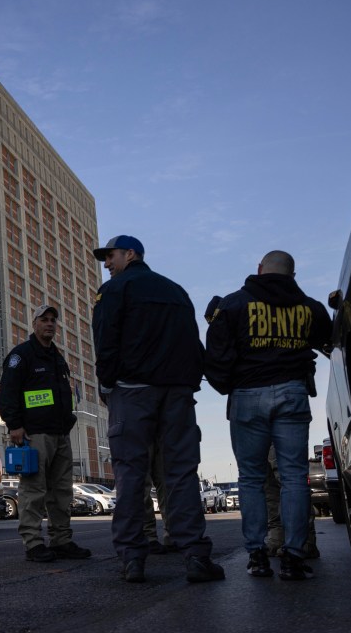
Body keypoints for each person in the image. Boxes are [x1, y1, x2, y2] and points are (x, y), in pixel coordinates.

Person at [91, 235, 224, 584]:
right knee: (180, 473)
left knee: (131, 475)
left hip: (133, 393)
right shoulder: (176, 291)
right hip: (176, 394)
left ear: (130, 254)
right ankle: (196, 555)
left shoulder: (115, 290)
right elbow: (193, 342)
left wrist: (107, 385)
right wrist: (188, 383)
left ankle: (133, 559)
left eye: (111, 257)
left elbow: (105, 340)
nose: (107, 264)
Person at [204, 250, 330, 581]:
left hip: (247, 395)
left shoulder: (233, 304)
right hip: (292, 392)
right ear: (293, 275)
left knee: (250, 479)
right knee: (294, 477)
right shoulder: (309, 307)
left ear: (259, 270)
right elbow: (329, 339)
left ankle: (257, 556)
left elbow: (214, 353)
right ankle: (293, 555)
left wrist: (228, 384)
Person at [0, 304, 93, 563]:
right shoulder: (21, 356)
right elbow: (7, 394)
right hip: (35, 435)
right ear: (34, 323)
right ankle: (33, 543)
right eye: (44, 320)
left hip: (61, 434)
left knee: (62, 492)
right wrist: (14, 425)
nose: (50, 324)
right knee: (34, 491)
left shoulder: (57, 358)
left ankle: (61, 540)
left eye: (53, 320)